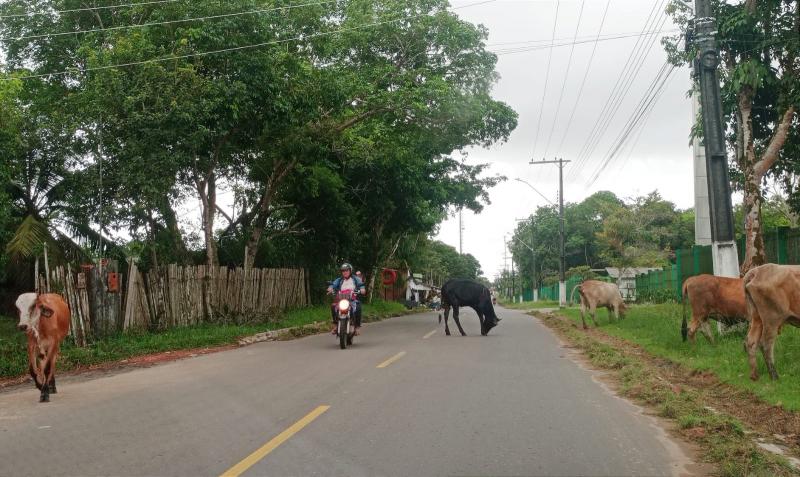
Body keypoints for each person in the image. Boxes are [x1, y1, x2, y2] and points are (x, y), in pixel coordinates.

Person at [327, 263, 366, 334]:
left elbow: (361, 285)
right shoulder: (339, 280)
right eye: (343, 271)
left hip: (352, 300)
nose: (344, 272)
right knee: (333, 306)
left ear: (350, 271)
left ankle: (357, 327)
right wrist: (330, 288)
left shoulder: (355, 279)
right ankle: (335, 325)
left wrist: (362, 289)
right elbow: (333, 284)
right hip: (341, 300)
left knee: (358, 306)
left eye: (346, 270)